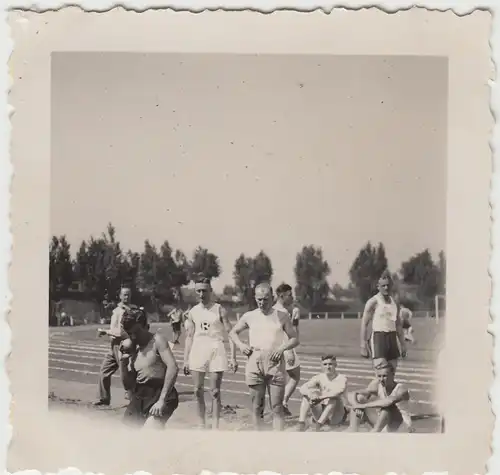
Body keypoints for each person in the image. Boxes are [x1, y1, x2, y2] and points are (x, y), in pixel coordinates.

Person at [229, 282, 299, 431]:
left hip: (275, 362)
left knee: (277, 406)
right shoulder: (250, 316)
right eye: (259, 299)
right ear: (255, 298)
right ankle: (259, 439)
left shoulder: (282, 316)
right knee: (257, 406)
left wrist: (281, 349)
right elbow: (232, 333)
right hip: (255, 361)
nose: (262, 302)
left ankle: (277, 441)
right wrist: (241, 345)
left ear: (272, 297)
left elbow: (294, 338)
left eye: (265, 299)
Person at [183, 277, 237, 429]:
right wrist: (186, 360)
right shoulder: (193, 312)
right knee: (197, 390)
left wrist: (233, 357)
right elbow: (189, 337)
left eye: (204, 290)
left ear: (210, 291)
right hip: (198, 348)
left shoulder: (219, 309)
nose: (201, 294)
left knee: (214, 391)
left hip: (216, 347)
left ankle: (215, 425)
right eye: (198, 291)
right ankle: (201, 423)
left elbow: (230, 334)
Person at [121, 308, 179, 429]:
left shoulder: (157, 340)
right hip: (141, 394)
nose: (133, 336)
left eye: (136, 332)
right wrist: (123, 363)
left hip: (161, 392)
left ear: (145, 326)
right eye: (129, 332)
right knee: (125, 434)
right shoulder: (132, 348)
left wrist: (162, 400)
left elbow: (173, 367)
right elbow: (128, 385)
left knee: (150, 430)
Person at [94, 287, 137, 406]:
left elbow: (121, 332)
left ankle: (134, 399)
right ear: (120, 296)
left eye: (128, 295)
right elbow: (115, 329)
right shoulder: (117, 310)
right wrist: (108, 331)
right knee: (104, 372)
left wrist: (105, 332)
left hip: (123, 345)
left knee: (125, 375)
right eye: (124, 295)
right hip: (113, 346)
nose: (126, 297)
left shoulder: (131, 311)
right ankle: (104, 398)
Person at [347, 359, 414, 433]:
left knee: (388, 408)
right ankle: (353, 431)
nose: (381, 379)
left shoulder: (401, 388)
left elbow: (388, 402)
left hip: (401, 427)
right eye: (379, 376)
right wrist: (356, 405)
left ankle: (374, 433)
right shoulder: (378, 386)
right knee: (360, 398)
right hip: (383, 424)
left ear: (393, 374)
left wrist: (362, 406)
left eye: (385, 376)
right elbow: (352, 394)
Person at [360, 271, 407, 372]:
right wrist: (363, 344)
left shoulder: (395, 303)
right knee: (381, 373)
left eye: (388, 285)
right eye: (383, 285)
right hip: (379, 337)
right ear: (378, 286)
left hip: (392, 337)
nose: (386, 288)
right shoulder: (373, 302)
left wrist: (403, 344)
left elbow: (398, 324)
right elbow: (364, 324)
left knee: (391, 372)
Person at [297, 355, 349, 432]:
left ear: (335, 365)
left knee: (333, 399)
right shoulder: (319, 377)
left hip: (336, 414)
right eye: (325, 364)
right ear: (321, 366)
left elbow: (337, 392)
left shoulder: (342, 378)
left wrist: (320, 397)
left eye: (330, 364)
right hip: (322, 411)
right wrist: (310, 395)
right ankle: (301, 423)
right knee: (307, 396)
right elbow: (302, 388)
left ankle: (319, 425)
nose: (328, 367)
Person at [273, 283, 301, 417]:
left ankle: (280, 404)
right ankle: (282, 404)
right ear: (281, 296)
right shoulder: (282, 312)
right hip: (284, 347)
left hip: (278, 348)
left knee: (282, 378)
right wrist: (289, 351)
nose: (292, 297)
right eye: (290, 295)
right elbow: (284, 334)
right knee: (294, 375)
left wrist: (296, 321)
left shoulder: (275, 309)